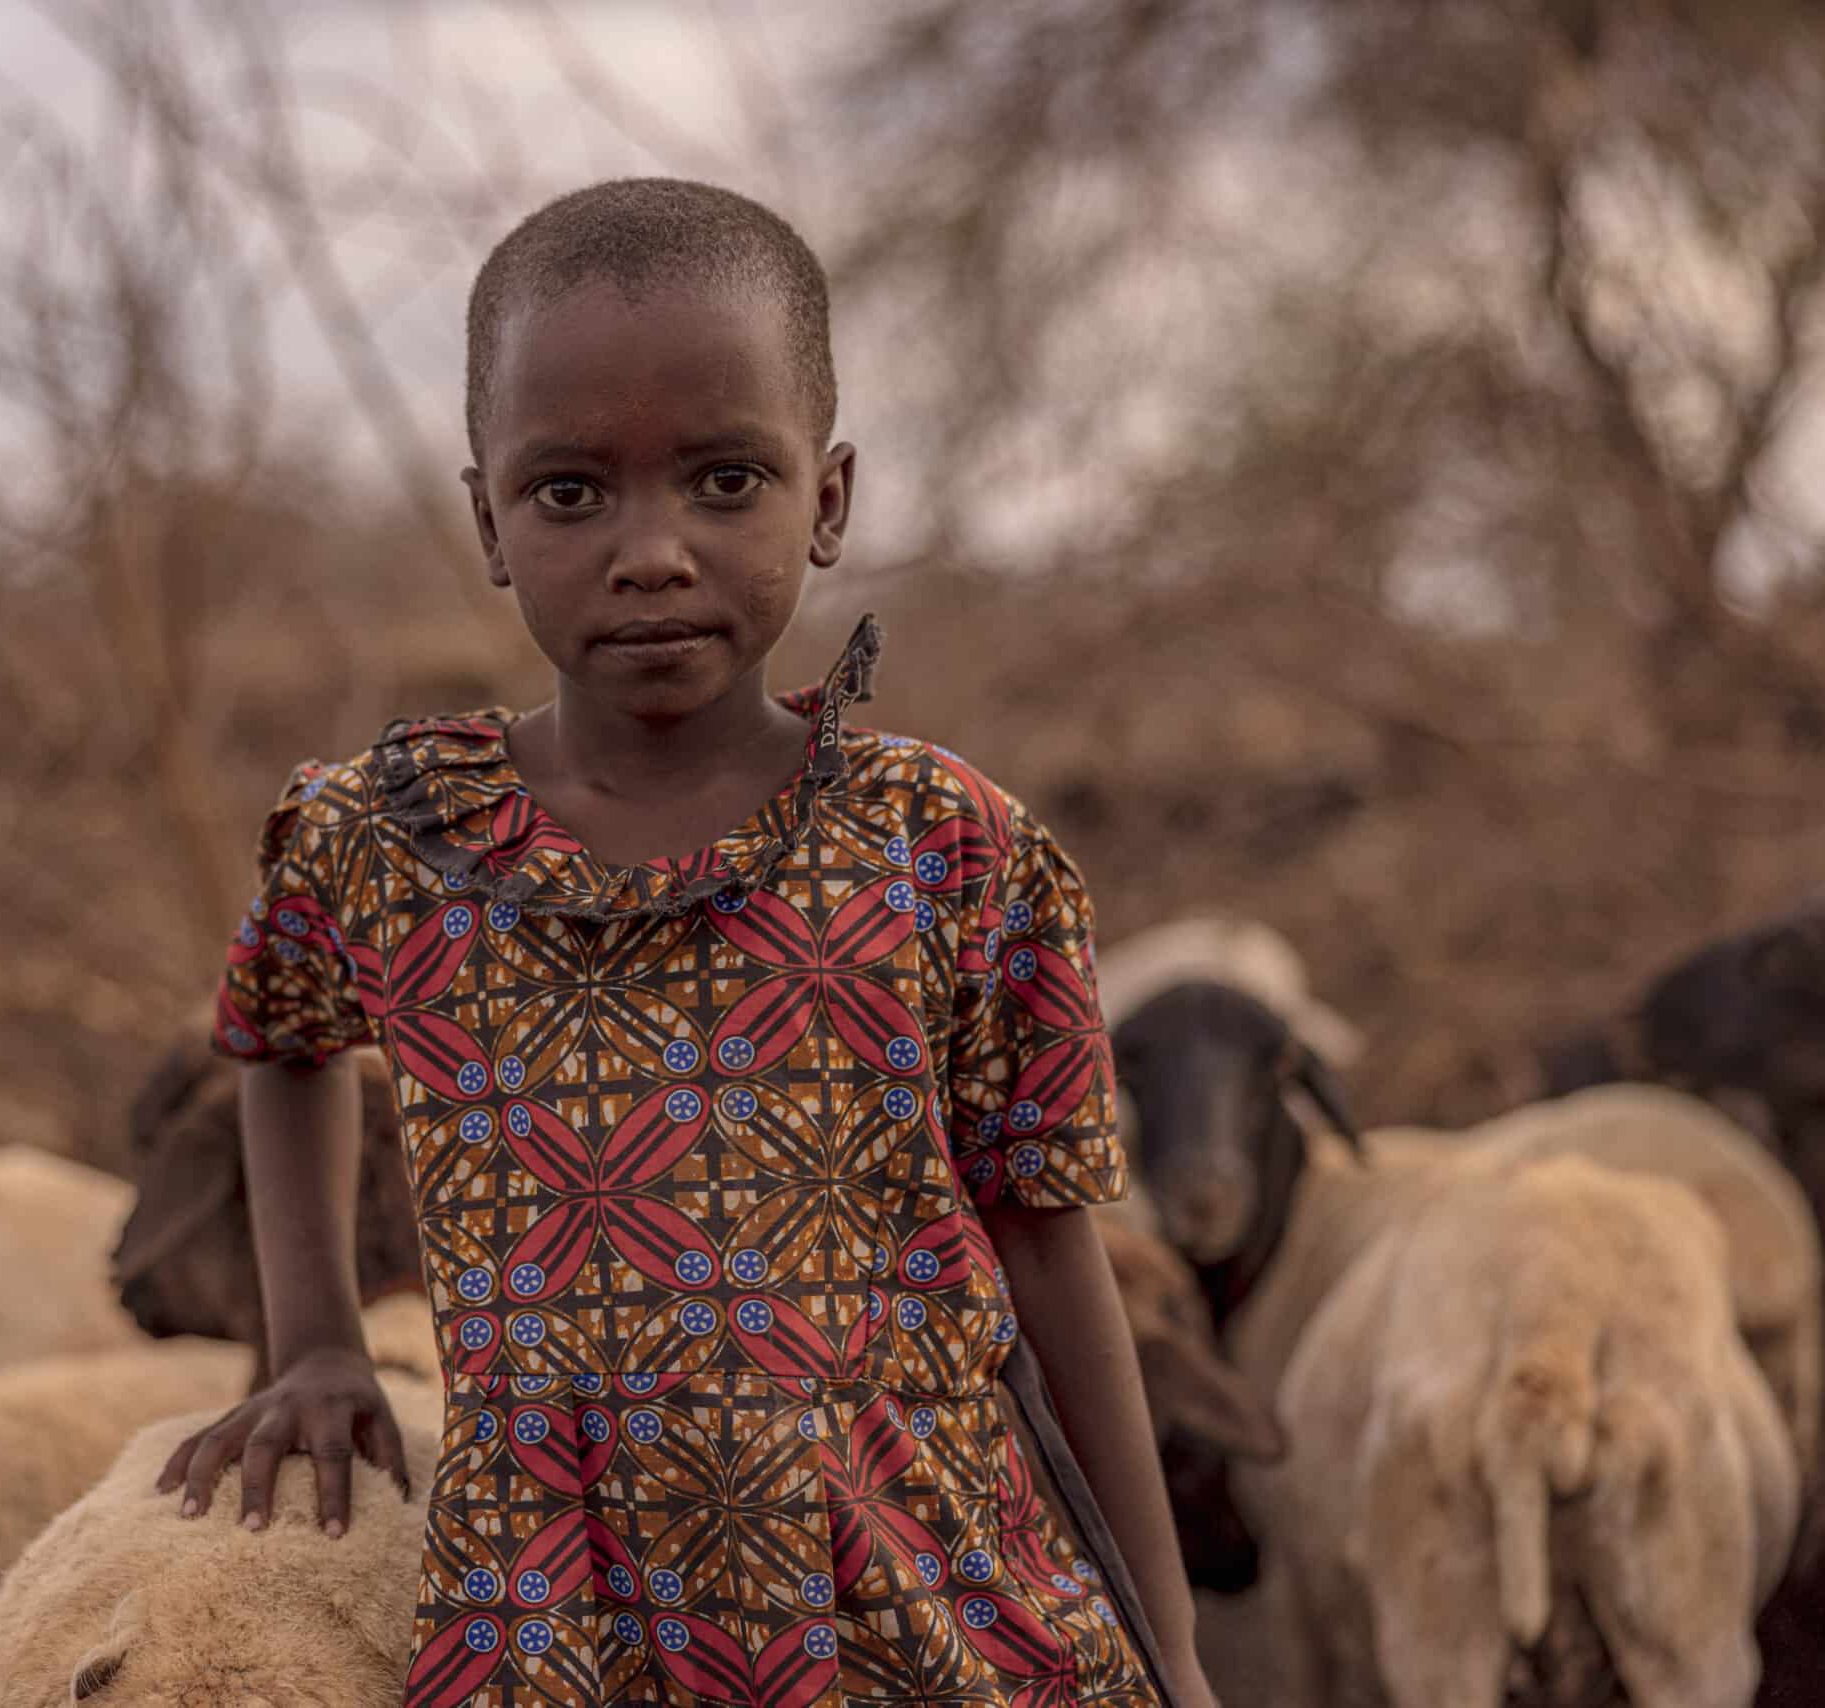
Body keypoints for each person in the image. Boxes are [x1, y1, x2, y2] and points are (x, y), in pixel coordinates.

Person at [155, 177, 1217, 1708]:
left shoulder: (945, 848)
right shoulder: (384, 840)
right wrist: (314, 1340)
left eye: (726, 481)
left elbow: (1051, 1246)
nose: (651, 551)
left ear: (829, 502)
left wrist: (1168, 1646)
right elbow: (277, 1037)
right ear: (489, 523)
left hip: (918, 1612)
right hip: (559, 1626)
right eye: (572, 493)